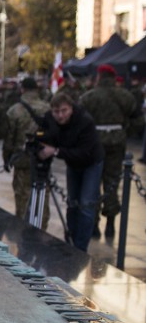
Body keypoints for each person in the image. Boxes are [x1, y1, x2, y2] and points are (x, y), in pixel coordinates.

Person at [78, 64, 143, 239]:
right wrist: (124, 132)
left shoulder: (89, 96)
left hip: (95, 143)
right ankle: (111, 224)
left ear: (99, 77)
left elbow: (79, 120)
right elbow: (139, 118)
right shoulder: (125, 96)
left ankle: (94, 224)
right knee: (112, 182)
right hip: (117, 143)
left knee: (94, 183)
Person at [37, 92, 104, 252]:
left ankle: (80, 248)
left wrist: (55, 151)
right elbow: (46, 135)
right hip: (73, 163)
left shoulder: (85, 121)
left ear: (71, 109)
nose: (60, 115)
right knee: (72, 203)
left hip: (91, 162)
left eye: (64, 111)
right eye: (56, 111)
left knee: (86, 205)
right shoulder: (50, 119)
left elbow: (84, 152)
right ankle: (71, 240)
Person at [2, 77, 51, 228]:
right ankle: (40, 232)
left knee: (23, 199)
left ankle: (23, 234)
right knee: (42, 200)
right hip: (43, 161)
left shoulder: (15, 110)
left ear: (22, 89)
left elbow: (8, 138)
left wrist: (7, 159)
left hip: (22, 160)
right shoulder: (48, 108)